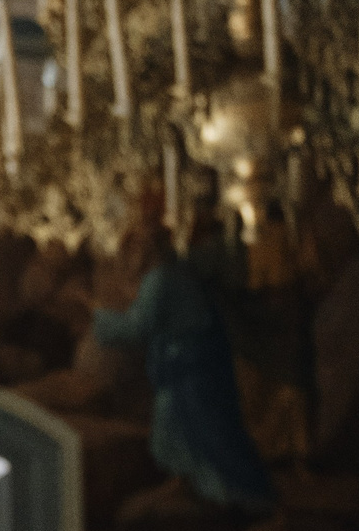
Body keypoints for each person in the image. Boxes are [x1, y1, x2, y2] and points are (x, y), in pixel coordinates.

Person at [92, 217, 276, 514]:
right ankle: (190, 482)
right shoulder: (173, 273)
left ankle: (242, 494)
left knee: (208, 429)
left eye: (138, 248)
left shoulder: (161, 278)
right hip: (190, 365)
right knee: (177, 425)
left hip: (190, 368)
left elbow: (139, 325)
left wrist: (97, 320)